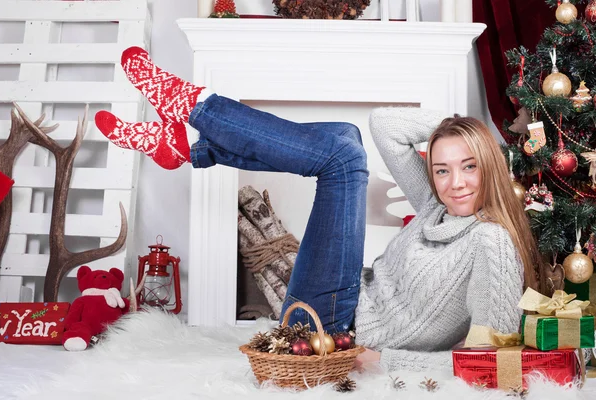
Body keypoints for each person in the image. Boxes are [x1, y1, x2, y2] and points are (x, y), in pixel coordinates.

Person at [95, 47, 541, 372]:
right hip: (336, 301)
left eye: (469, 166)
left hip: (335, 329)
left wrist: (384, 359)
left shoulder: (491, 241)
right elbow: (384, 125)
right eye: (441, 170)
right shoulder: (435, 205)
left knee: (343, 159)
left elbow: (491, 360)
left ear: (489, 165)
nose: (455, 183)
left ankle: (196, 110)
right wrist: (463, 130)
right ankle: (192, 146)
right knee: (345, 137)